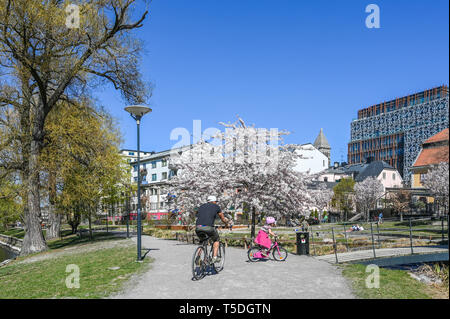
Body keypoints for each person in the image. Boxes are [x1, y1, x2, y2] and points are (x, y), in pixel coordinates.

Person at [195, 195, 230, 263]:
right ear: (213, 201)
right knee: (216, 240)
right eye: (216, 201)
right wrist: (226, 224)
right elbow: (222, 218)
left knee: (202, 241)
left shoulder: (201, 206)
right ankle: (214, 257)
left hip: (198, 227)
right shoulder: (216, 206)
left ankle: (198, 257)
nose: (216, 203)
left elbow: (199, 216)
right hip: (209, 227)